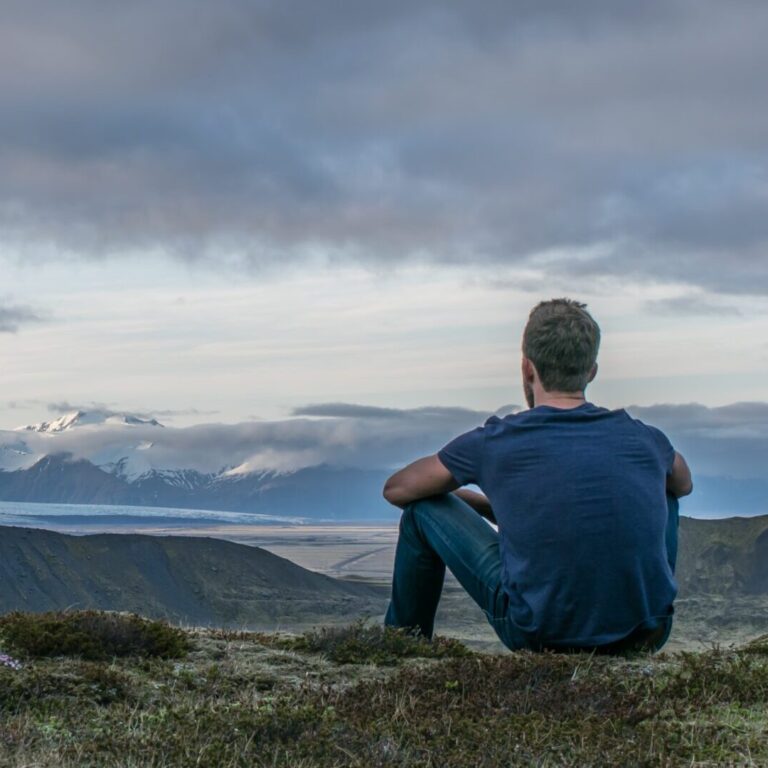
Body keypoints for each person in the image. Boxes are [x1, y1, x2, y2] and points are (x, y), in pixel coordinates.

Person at [382, 298, 692, 653]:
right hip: (647, 633)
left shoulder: (495, 441)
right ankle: (640, 611)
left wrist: (457, 497)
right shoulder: (646, 439)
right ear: (592, 370)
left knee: (421, 511)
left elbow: (397, 489)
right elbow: (683, 484)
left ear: (527, 368)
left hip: (538, 634)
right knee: (666, 490)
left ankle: (403, 647)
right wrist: (495, 508)